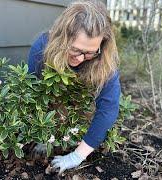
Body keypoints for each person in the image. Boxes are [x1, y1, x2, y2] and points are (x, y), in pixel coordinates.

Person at [27, 0, 121, 174]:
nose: (80, 58)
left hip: (82, 106)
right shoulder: (41, 48)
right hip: (52, 103)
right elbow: (33, 94)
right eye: (75, 50)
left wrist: (77, 156)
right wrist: (42, 135)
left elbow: (108, 108)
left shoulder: (105, 60)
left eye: (90, 52)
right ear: (62, 38)